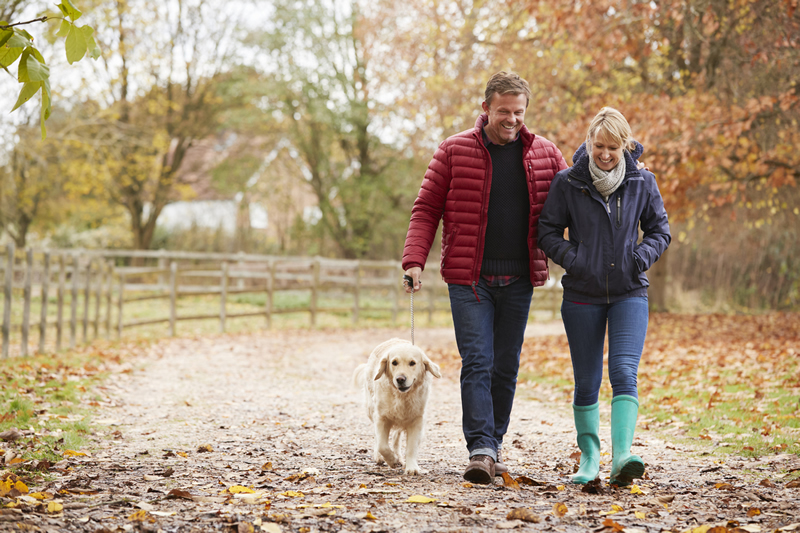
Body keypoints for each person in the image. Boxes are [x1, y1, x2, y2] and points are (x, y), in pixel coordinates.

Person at [402, 71, 568, 484]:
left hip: (520, 280)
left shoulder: (546, 154)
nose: (512, 120)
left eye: (519, 112)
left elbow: (575, 202)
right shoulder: (453, 150)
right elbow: (426, 209)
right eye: (503, 112)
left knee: (506, 365)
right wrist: (414, 260)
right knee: (478, 360)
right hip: (469, 278)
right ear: (486, 108)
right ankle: (480, 447)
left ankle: (492, 445)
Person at [537, 107, 671, 486]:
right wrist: (575, 260)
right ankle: (590, 457)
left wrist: (638, 258)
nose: (606, 154)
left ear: (625, 146)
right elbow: (547, 232)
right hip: (582, 294)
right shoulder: (568, 182)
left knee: (624, 372)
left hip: (630, 292)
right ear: (589, 143)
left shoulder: (642, 182)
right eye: (599, 146)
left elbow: (660, 231)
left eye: (613, 147)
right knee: (586, 380)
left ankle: (623, 455)